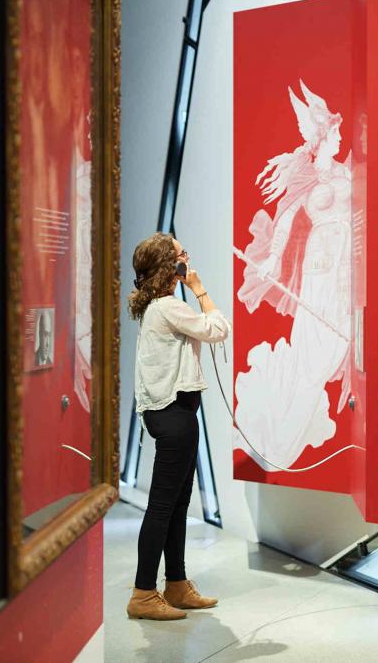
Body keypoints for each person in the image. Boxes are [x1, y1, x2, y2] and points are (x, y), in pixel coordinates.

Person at [234, 80, 352, 470]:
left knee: (334, 348)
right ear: (320, 138)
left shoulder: (344, 171)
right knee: (312, 356)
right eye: (334, 133)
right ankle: (280, 439)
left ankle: (285, 434)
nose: (340, 138)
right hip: (319, 268)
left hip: (345, 268)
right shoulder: (308, 178)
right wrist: (272, 258)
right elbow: (285, 220)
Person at [126, 233, 231, 621]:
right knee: (162, 508)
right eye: (181, 253)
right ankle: (143, 593)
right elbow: (219, 328)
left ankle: (175, 584)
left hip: (173, 414)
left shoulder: (158, 306)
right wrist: (199, 288)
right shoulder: (169, 306)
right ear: (171, 266)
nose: (187, 255)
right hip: (174, 417)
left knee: (176, 506)